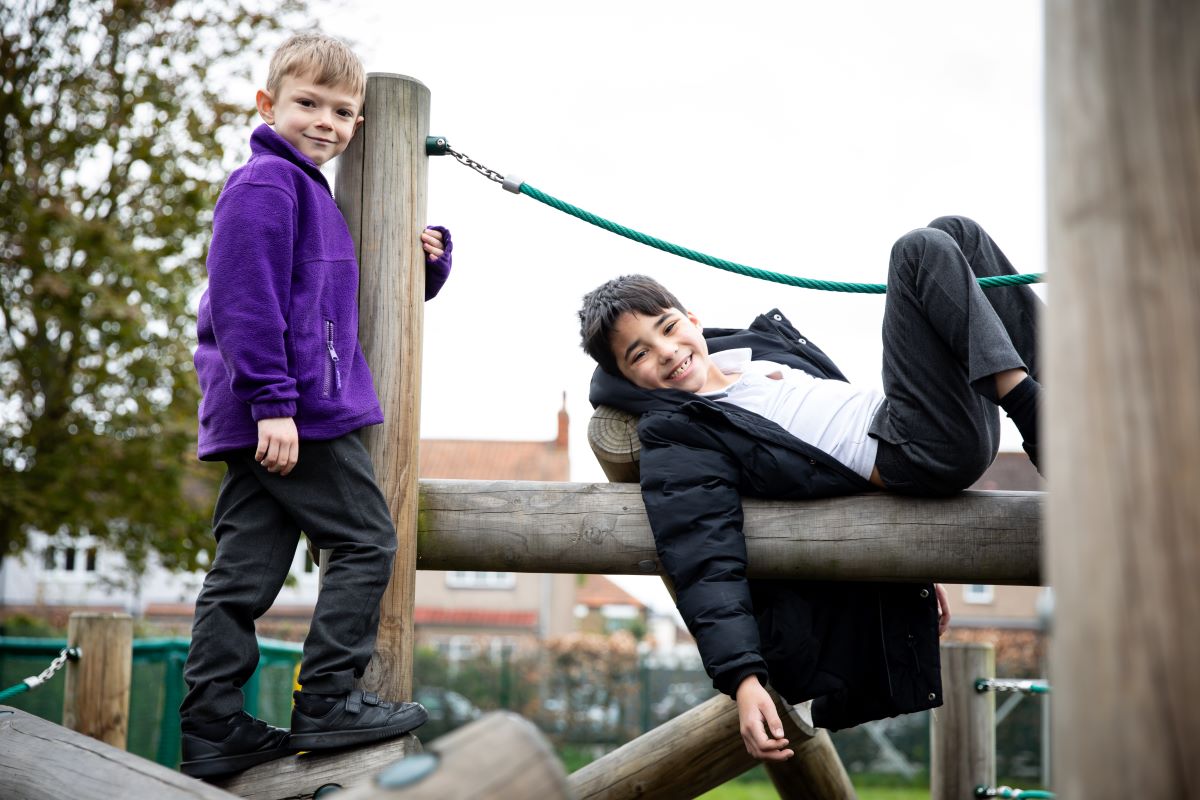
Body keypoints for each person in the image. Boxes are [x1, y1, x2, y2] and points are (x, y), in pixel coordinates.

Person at [578, 215, 1041, 762]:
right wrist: (744, 678)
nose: (666, 351)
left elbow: (829, 461)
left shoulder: (758, 354)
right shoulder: (684, 432)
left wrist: (904, 568)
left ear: (694, 320)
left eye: (667, 326)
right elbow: (701, 552)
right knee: (917, 252)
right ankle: (1038, 414)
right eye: (639, 355)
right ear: (628, 380)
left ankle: (1067, 392)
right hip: (913, 444)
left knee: (957, 236)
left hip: (932, 421)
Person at [179, 32, 453, 780]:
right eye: (307, 103)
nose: (325, 121)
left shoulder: (312, 194)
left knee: (244, 573)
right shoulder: (267, 185)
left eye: (342, 110)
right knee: (367, 540)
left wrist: (425, 265)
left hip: (273, 410)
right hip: (293, 412)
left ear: (358, 123)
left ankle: (212, 726)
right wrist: (274, 403)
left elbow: (338, 310)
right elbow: (244, 301)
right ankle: (327, 699)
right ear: (268, 104)